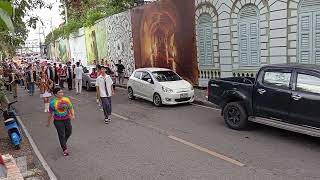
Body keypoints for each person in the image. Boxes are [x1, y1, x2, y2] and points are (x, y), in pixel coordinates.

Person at [47, 88, 75, 156]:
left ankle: (63, 142)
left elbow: (70, 108)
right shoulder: (52, 103)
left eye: (62, 92)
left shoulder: (66, 99)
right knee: (61, 134)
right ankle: (64, 149)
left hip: (67, 119)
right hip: (58, 121)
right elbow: (50, 113)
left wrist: (73, 115)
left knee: (69, 132)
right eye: (59, 92)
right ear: (55, 94)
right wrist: (48, 122)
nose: (61, 93)